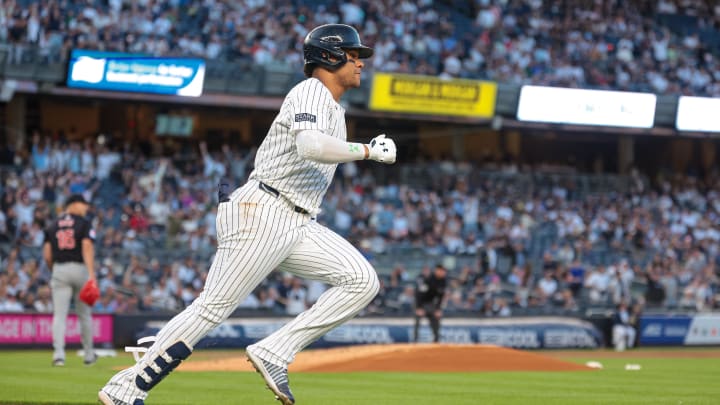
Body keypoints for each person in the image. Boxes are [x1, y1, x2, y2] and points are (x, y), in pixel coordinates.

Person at [98, 24, 396, 405]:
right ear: (330, 56)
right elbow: (309, 145)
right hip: (265, 210)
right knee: (211, 310)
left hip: (296, 218)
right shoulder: (310, 91)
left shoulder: (333, 106)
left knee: (361, 280)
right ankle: (124, 388)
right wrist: (367, 151)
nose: (360, 63)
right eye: (354, 55)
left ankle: (275, 351)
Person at [43, 194, 97, 366]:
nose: (85, 208)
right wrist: (91, 275)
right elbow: (87, 246)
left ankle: (59, 355)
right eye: (83, 204)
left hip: (59, 268)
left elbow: (47, 254)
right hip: (80, 269)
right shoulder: (84, 223)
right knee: (85, 315)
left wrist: (55, 270)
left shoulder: (52, 225)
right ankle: (89, 355)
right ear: (73, 204)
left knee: (59, 316)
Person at [413, 264, 448, 343]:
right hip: (421, 302)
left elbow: (440, 297)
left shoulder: (443, 281)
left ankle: (436, 339)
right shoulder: (428, 279)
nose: (444, 273)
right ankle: (415, 340)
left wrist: (438, 309)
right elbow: (419, 294)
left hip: (431, 303)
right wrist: (419, 308)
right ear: (437, 270)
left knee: (436, 319)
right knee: (418, 319)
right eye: (442, 271)